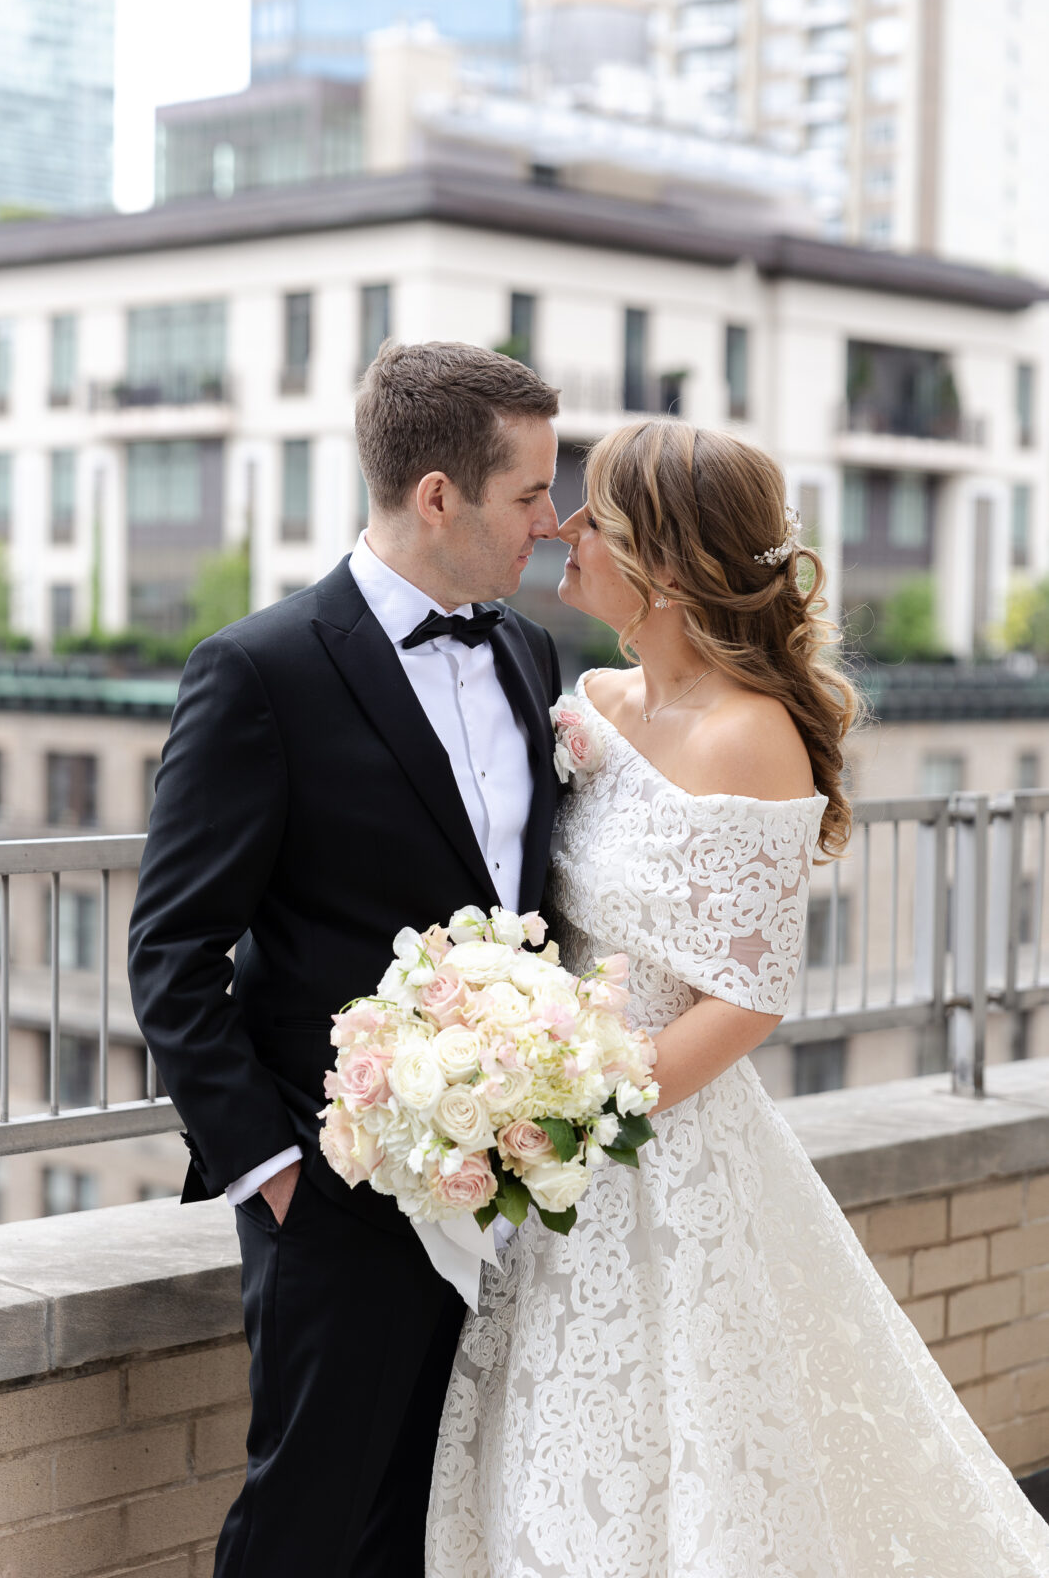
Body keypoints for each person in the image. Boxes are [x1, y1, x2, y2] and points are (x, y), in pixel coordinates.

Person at [426, 417, 1049, 1576]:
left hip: (655, 1146)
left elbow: (747, 998)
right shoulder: (589, 709)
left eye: (593, 514)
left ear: (663, 562)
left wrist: (572, 1112)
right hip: (552, 1162)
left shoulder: (751, 737)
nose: (563, 528)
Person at [127, 340, 562, 1578]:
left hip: (496, 1189)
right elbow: (172, 951)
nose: (549, 518)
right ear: (439, 496)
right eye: (528, 492)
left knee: (428, 1525)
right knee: (304, 1523)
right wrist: (276, 1177)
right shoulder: (257, 670)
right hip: (335, 1190)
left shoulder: (526, 655)